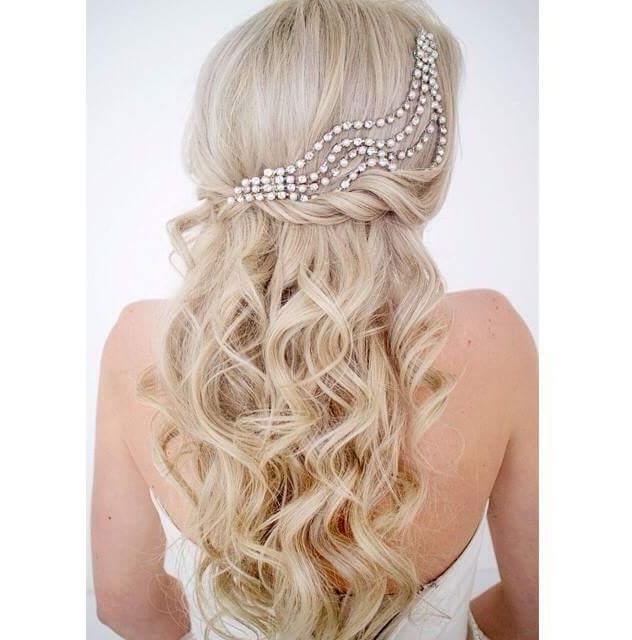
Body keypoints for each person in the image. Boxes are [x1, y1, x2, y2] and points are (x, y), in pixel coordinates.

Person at [91, 1, 538, 638]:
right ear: (423, 162)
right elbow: (539, 610)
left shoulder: (143, 345)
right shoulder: (495, 337)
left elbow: (126, 608)